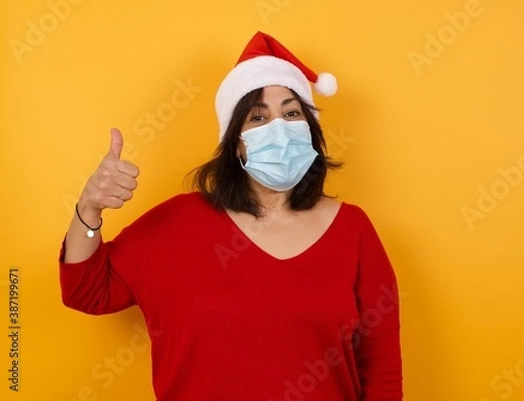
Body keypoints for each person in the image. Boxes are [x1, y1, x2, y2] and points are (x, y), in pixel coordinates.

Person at [59, 31, 403, 401]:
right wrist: (89, 208)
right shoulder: (177, 224)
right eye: (258, 117)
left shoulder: (353, 230)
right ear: (235, 142)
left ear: (310, 130)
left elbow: (381, 372)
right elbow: (86, 292)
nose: (279, 128)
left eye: (291, 113)